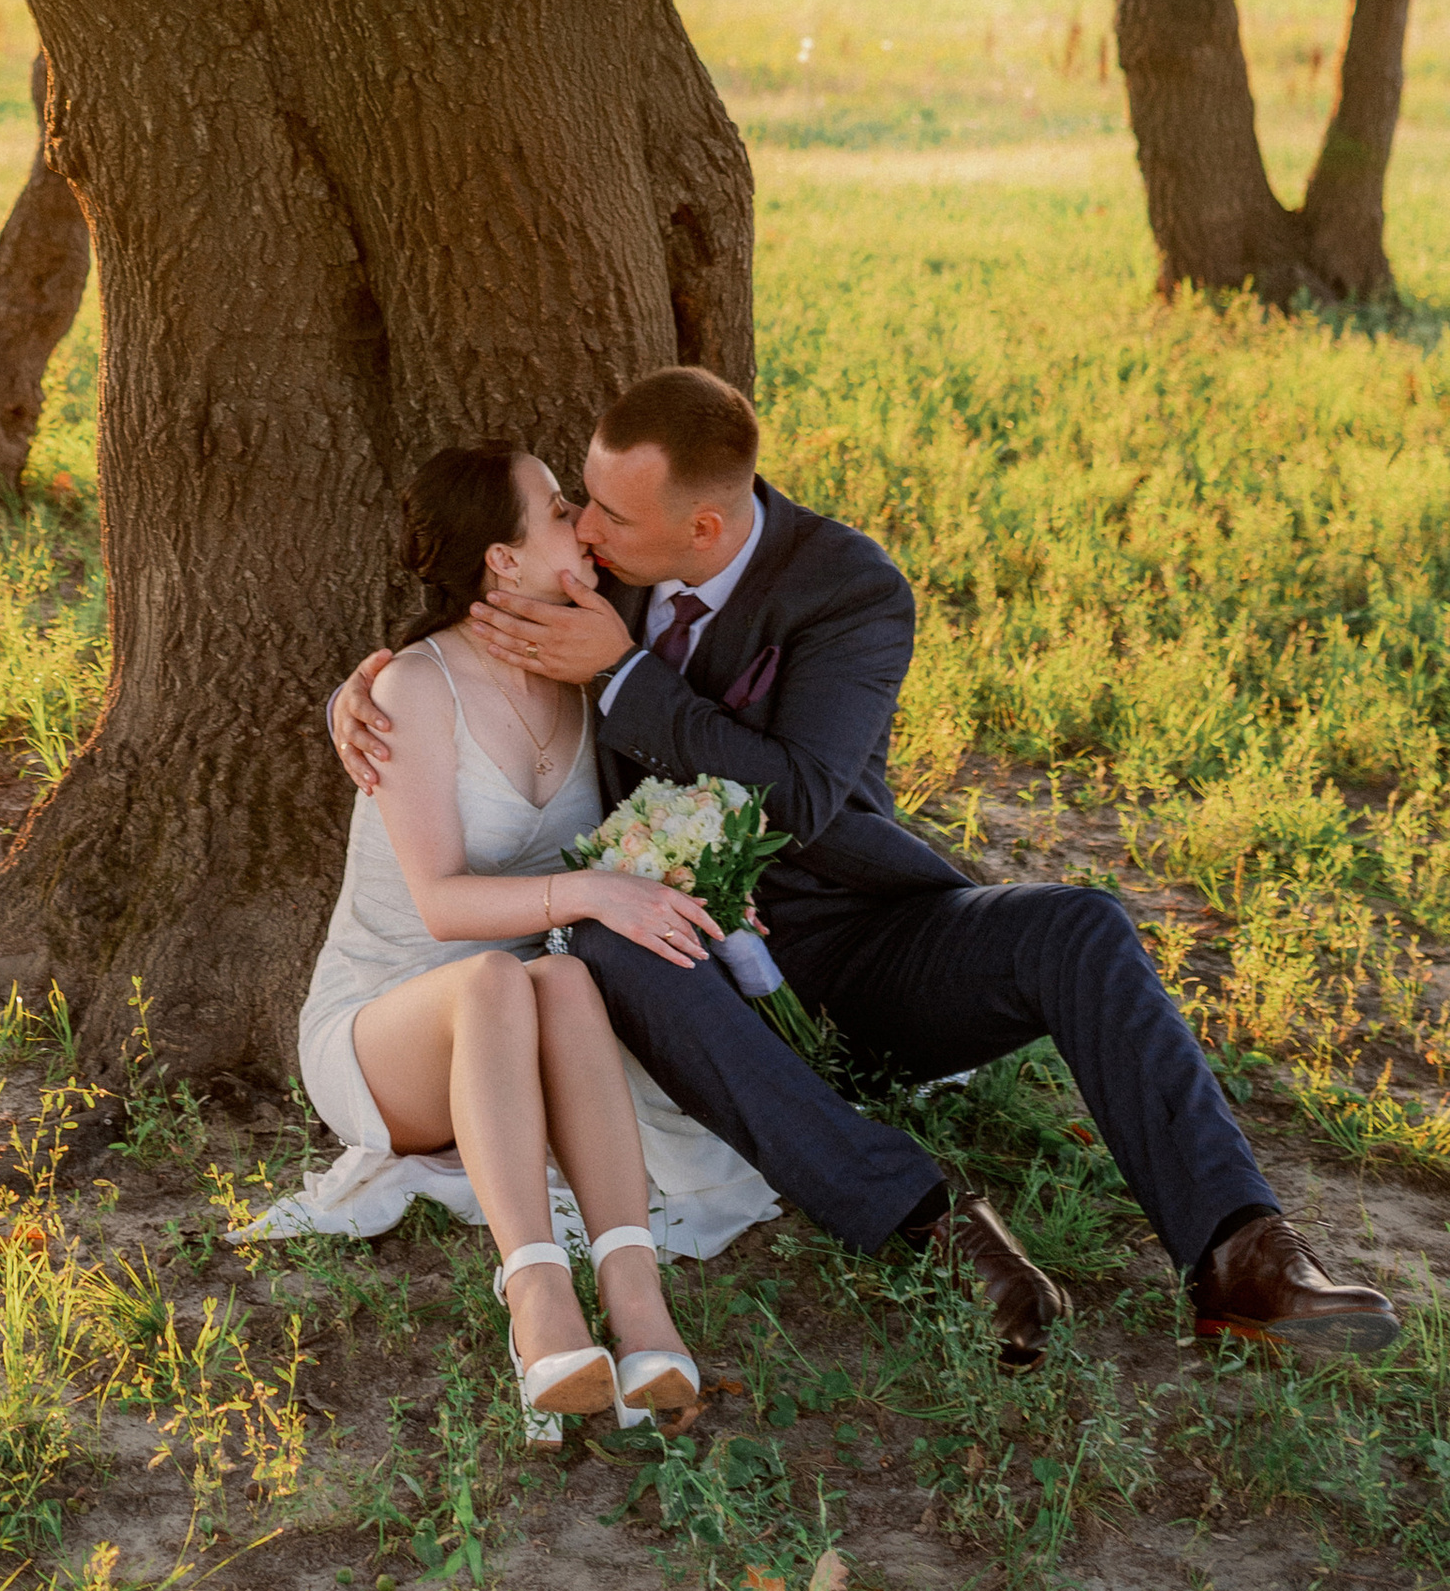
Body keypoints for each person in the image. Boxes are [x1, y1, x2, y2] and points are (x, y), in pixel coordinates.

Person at [330, 366, 1398, 1369]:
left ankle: (1239, 1253)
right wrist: (361, 696)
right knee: (611, 943)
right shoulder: (593, 570)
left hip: (855, 937)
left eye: (610, 515)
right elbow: (464, 654)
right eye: (581, 505)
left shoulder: (845, 588)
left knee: (1080, 923)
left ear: (702, 527)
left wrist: (623, 675)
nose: (590, 532)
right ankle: (932, 1228)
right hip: (681, 964)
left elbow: (799, 795)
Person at [299, 435, 749, 1436]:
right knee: (497, 980)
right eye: (556, 509)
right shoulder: (416, 688)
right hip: (386, 1025)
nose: (582, 523)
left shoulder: (586, 661)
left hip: (529, 1016)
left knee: (565, 981)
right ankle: (537, 1298)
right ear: (500, 559)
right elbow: (442, 907)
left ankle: (636, 1301)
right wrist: (592, 889)